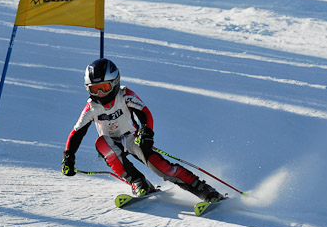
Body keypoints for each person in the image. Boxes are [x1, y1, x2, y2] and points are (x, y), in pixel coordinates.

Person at [61, 58, 222, 202]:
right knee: (101, 143)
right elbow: (77, 133)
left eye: (104, 87)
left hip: (133, 137)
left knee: (161, 168)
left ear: (115, 82)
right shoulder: (92, 107)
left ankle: (205, 190)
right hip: (111, 143)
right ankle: (139, 183)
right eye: (95, 89)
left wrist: (146, 133)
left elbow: (145, 113)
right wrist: (68, 157)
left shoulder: (125, 95)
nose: (101, 94)